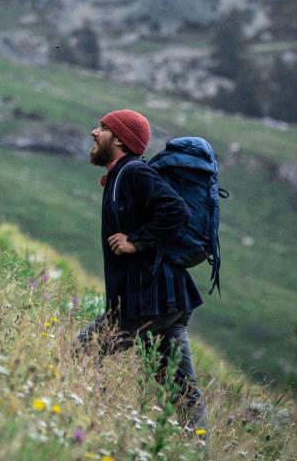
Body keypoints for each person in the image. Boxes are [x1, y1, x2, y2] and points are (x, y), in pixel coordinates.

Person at [76, 108, 208, 432]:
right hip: (168, 300)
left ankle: (86, 416)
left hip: (147, 301)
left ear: (120, 139)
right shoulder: (121, 176)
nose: (94, 132)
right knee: (182, 391)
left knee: (81, 352)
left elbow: (176, 211)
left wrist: (136, 241)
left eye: (103, 128)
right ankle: (196, 445)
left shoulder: (134, 172)